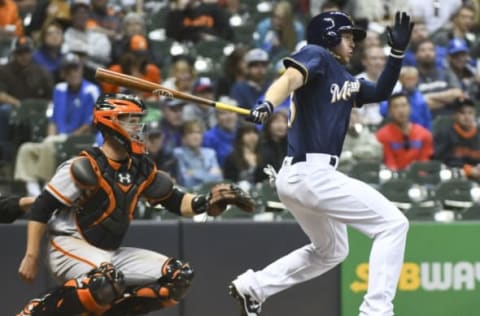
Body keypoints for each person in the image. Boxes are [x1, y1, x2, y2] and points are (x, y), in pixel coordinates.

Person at [229, 11, 413, 316]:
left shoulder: (345, 79)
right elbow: (289, 78)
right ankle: (376, 311)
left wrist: (396, 55)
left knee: (333, 251)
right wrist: (268, 102)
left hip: (301, 177)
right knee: (393, 224)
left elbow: (381, 91)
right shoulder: (316, 55)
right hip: (311, 173)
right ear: (329, 37)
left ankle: (256, 286)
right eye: (347, 36)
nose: (353, 42)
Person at [17, 93, 247, 315]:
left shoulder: (139, 166)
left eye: (139, 121)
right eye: (132, 121)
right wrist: (31, 255)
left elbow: (174, 201)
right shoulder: (84, 165)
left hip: (109, 254)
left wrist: (205, 202)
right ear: (111, 122)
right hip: (68, 245)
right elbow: (42, 208)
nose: (139, 128)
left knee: (178, 276)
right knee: (106, 279)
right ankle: (38, 311)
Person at [14, 53, 99, 196]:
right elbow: (53, 120)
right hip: (57, 138)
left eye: (75, 69)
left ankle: (47, 186)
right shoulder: (59, 89)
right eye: (68, 71)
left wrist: (67, 138)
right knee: (26, 148)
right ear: (63, 74)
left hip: (78, 138)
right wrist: (51, 137)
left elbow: (89, 124)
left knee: (49, 146)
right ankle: (33, 188)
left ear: (81, 70)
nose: (72, 73)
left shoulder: (91, 90)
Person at [376, 92, 434, 171]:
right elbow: (389, 162)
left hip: (420, 178)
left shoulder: (425, 134)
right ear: (389, 111)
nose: (401, 110)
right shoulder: (382, 135)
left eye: (404, 105)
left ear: (410, 108)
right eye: (396, 106)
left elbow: (425, 162)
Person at [433, 98, 480, 181]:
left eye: (470, 113)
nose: (467, 116)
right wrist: (467, 169)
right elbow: (439, 160)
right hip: (453, 178)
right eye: (462, 113)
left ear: (474, 114)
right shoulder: (444, 134)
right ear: (455, 115)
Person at [174, 119, 223, 189]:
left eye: (198, 132)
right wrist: (210, 174)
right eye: (191, 133)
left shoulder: (210, 153)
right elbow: (186, 181)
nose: (196, 136)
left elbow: (219, 179)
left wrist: (194, 173)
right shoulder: (178, 154)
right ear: (183, 138)